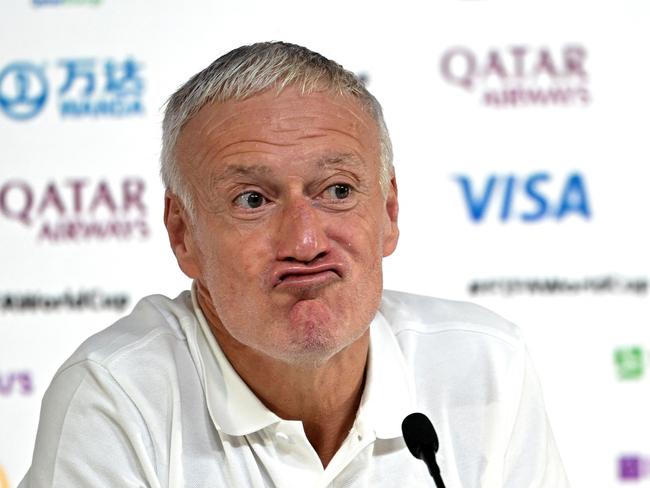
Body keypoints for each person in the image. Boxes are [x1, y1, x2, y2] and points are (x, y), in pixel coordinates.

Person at [19, 42, 569, 487]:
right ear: (182, 233)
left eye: (337, 190)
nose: (305, 242)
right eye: (252, 200)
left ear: (390, 211)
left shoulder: (488, 366)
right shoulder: (118, 398)